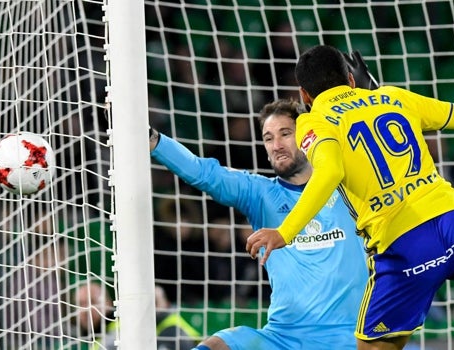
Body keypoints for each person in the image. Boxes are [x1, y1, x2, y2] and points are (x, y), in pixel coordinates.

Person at [245, 44, 454, 350]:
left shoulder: (312, 121)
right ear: (350, 80)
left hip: (403, 250)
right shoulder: (394, 96)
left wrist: (285, 232)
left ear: (304, 96)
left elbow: (328, 172)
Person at [150, 97, 368, 349]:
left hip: (349, 339)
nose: (276, 145)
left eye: (285, 133)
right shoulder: (260, 194)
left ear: (310, 138)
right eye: (268, 138)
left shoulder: (349, 187)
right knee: (218, 344)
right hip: (282, 338)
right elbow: (204, 173)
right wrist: (154, 141)